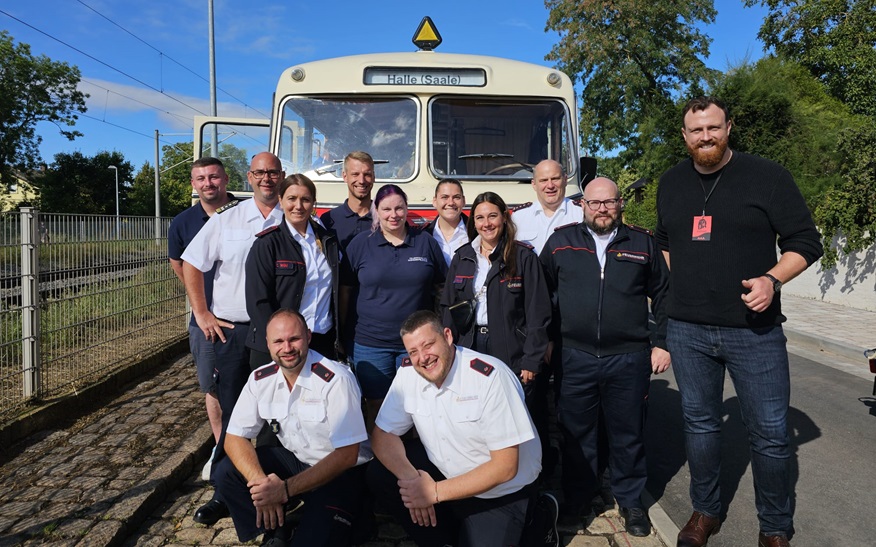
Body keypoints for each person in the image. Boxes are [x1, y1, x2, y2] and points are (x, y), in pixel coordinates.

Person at [655, 97, 823, 547]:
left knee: (770, 434)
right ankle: (705, 512)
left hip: (755, 331)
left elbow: (806, 241)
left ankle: (774, 527)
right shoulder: (670, 183)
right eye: (696, 130)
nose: (705, 136)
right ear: (685, 136)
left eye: (713, 127)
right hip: (688, 330)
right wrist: (688, 284)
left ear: (728, 127)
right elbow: (666, 242)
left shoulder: (768, 177)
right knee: (701, 426)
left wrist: (772, 279)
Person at [540, 177, 670, 536]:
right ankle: (579, 498)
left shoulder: (642, 243)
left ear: (620, 203)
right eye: (595, 203)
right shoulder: (560, 243)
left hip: (628, 357)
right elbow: (542, 297)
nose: (602, 209)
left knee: (627, 432)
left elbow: (663, 294)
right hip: (574, 356)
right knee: (576, 434)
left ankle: (630, 501)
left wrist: (663, 342)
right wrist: (547, 341)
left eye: (609, 202)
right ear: (583, 204)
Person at [366, 310, 552, 547]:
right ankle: (441, 538)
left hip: (499, 492)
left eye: (428, 345)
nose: (423, 358)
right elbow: (382, 435)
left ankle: (540, 517)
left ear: (447, 336)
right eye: (413, 352)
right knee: (380, 472)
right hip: (445, 471)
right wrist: (412, 480)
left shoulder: (489, 377)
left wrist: (432, 492)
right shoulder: (408, 374)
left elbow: (505, 467)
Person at [181, 152, 285, 525]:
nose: (266, 179)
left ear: (281, 175)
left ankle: (275, 490)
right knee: (231, 416)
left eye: (273, 173)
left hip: (278, 335)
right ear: (249, 176)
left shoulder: (292, 215)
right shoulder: (229, 219)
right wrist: (202, 313)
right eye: (259, 173)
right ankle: (225, 493)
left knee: (277, 415)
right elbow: (192, 262)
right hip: (234, 331)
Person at [215, 309, 371, 546]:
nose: (286, 348)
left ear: (308, 336)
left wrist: (285, 490)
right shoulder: (260, 379)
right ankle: (274, 529)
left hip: (341, 472)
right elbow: (234, 436)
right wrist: (263, 486)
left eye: (294, 339)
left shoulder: (335, 380)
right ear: (267, 344)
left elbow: (347, 455)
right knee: (226, 471)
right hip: (298, 461)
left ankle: (352, 517)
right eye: (278, 341)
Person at [440, 191, 552, 470]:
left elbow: (539, 312)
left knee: (521, 417)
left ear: (504, 217)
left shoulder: (523, 257)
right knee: (477, 412)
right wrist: (447, 350)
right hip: (471, 345)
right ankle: (483, 473)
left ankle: (532, 476)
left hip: (512, 349)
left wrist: (532, 359)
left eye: (492, 216)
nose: (486, 223)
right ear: (473, 222)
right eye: (479, 217)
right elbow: (447, 307)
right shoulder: (462, 257)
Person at [341, 184, 447, 424]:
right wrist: (344, 334)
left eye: (399, 208)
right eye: (386, 209)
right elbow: (345, 291)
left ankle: (414, 458)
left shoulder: (425, 242)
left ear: (407, 209)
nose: (394, 214)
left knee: (417, 405)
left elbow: (442, 288)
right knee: (376, 406)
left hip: (417, 346)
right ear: (376, 211)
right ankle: (382, 458)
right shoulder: (360, 244)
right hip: (370, 343)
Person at [167, 157, 232, 474]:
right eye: (201, 178)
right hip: (204, 320)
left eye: (214, 177)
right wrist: (200, 305)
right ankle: (222, 452)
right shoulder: (182, 222)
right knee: (212, 387)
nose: (208, 183)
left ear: (226, 180)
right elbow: (178, 263)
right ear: (193, 184)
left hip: (242, 319)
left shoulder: (243, 213)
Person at [245, 174, 341, 368]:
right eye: (292, 199)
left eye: (305, 199)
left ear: (314, 203)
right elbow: (258, 301)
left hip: (322, 340)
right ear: (280, 201)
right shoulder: (267, 244)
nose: (298, 206)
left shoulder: (329, 240)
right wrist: (278, 342)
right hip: (282, 345)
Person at [511, 159, 583, 255]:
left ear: (565, 180)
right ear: (534, 184)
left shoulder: (581, 214)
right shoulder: (518, 217)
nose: (550, 185)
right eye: (543, 180)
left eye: (555, 179)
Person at [320, 151, 375, 252]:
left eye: (367, 174)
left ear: (373, 177)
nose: (362, 181)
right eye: (355, 174)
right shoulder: (328, 220)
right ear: (345, 177)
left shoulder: (385, 219)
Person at [422, 179, 468, 266]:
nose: (451, 202)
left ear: (464, 201)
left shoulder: (476, 234)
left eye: (456, 197)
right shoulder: (424, 236)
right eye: (444, 197)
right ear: (435, 201)